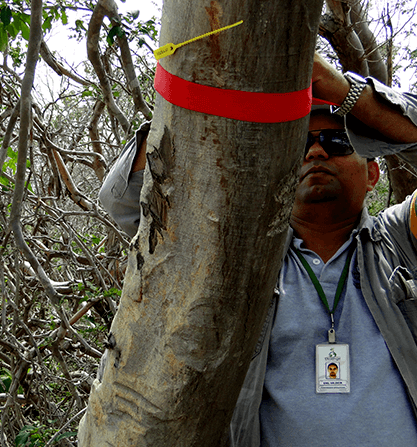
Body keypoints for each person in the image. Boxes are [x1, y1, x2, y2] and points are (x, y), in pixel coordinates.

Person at [98, 54, 417, 446]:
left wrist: (344, 90)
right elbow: (127, 200)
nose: (316, 153)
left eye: (337, 142)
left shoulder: (403, 240)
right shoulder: (239, 257)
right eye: (301, 144)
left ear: (372, 174)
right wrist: (217, 98)